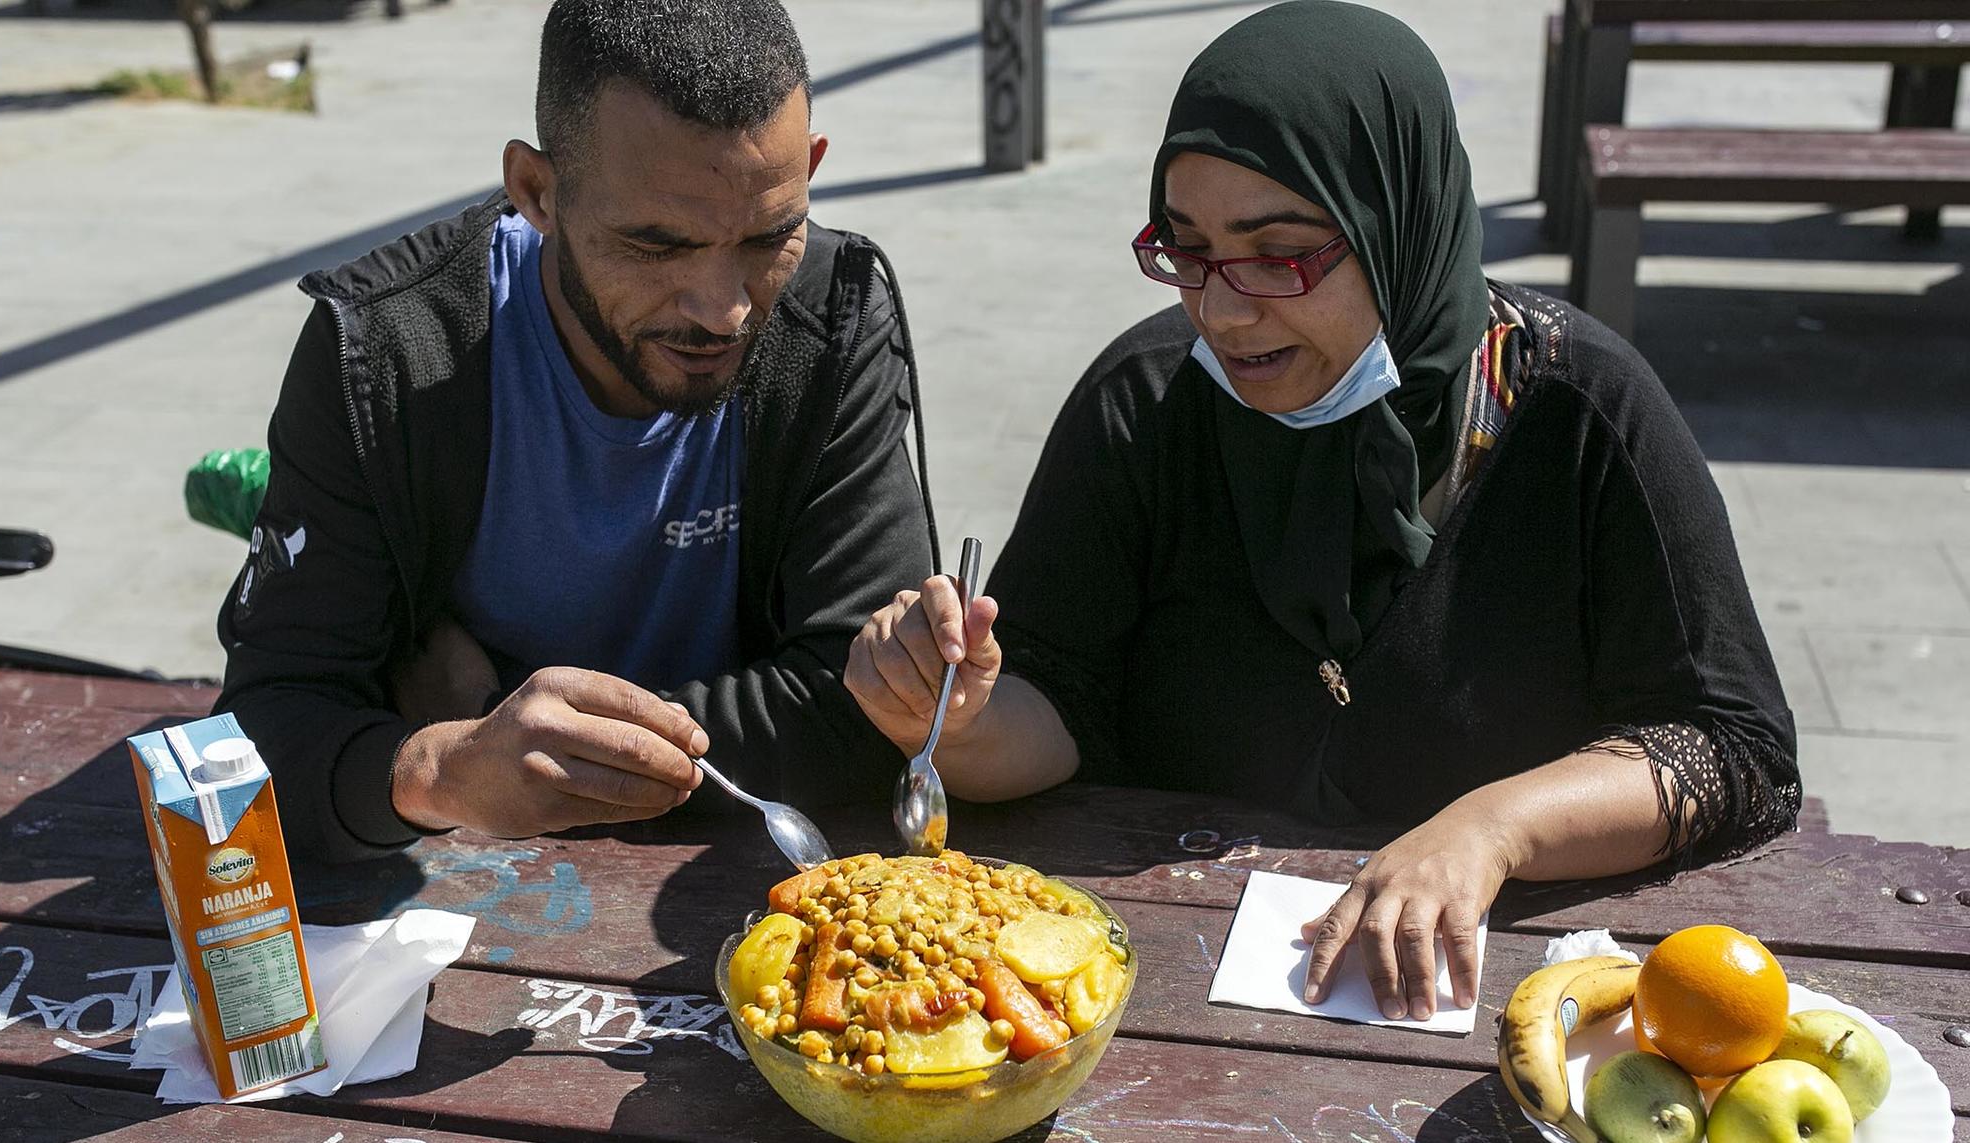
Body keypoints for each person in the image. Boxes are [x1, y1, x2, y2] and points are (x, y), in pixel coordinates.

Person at [845, 1, 1799, 1023]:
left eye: (1279, 254)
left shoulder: (1577, 414)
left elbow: (1729, 749)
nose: (1219, 307)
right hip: (1157, 995)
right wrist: (952, 719)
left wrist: (1490, 829)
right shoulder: (1147, 405)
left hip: (1493, 1010)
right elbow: (1058, 706)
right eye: (1187, 248)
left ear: (1398, 225)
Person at [217, 0, 937, 863]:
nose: (727, 308)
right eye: (658, 247)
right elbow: (256, 744)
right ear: (537, 192)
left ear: (811, 170)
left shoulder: (835, 318)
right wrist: (441, 771)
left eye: (769, 236)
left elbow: (867, 707)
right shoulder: (386, 354)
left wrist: (484, 724)